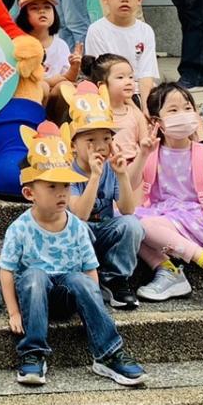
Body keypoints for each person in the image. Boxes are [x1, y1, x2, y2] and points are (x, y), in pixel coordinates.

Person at [0, 121, 147, 389]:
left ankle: (108, 353)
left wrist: (93, 308)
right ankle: (33, 353)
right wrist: (12, 312)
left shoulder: (77, 226)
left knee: (81, 280)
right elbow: (7, 270)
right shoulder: (19, 227)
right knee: (34, 274)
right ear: (30, 193)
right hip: (34, 294)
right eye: (52, 187)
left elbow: (90, 269)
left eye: (65, 187)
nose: (62, 194)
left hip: (66, 296)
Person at [133, 83, 203, 306]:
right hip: (163, 218)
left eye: (187, 108)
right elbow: (131, 186)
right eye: (173, 110)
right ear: (156, 121)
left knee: (144, 226)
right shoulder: (151, 152)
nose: (182, 115)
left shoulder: (202, 155)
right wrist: (142, 156)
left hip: (199, 220)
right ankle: (168, 269)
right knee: (127, 224)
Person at [59, 82, 145, 310]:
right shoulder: (67, 170)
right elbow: (79, 214)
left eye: (106, 139)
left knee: (131, 224)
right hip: (76, 238)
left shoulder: (111, 167)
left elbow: (128, 210)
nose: (100, 146)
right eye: (90, 140)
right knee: (79, 226)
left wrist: (122, 175)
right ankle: (86, 280)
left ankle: (116, 279)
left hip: (104, 232)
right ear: (73, 145)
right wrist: (94, 177)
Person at [83, 0, 159, 103]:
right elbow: (102, 76)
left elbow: (146, 74)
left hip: (139, 92)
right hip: (109, 94)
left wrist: (145, 107)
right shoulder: (97, 30)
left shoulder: (145, 31)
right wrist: (134, 111)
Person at [13, 0, 82, 93]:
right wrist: (48, 83)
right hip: (29, 95)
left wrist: (75, 67)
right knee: (43, 88)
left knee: (66, 88)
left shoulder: (61, 45)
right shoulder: (18, 45)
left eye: (47, 7)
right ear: (23, 14)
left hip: (54, 98)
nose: (42, 11)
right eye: (34, 8)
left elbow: (68, 79)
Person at [85, 54, 151, 162]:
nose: (129, 82)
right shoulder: (95, 114)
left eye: (131, 77)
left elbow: (145, 144)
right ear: (102, 84)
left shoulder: (135, 114)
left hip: (133, 166)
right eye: (120, 77)